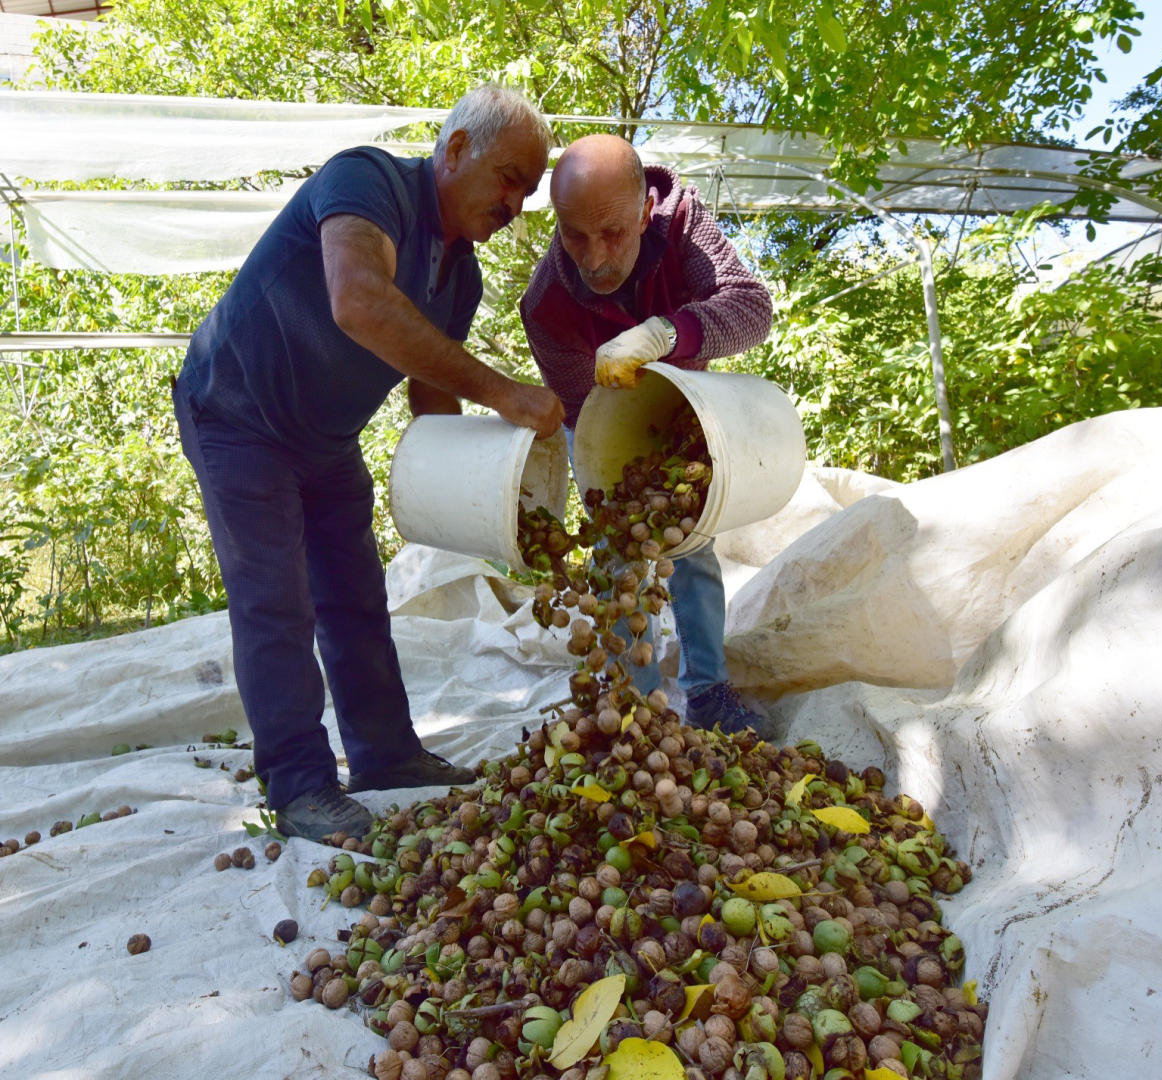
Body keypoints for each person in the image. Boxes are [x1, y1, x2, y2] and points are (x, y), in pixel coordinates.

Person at [174, 85, 563, 841]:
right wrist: (504, 391)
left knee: (355, 595)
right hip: (238, 415)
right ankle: (299, 786)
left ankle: (385, 754)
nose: (516, 204)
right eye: (509, 178)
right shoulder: (368, 181)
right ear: (455, 150)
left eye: (528, 191)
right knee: (276, 600)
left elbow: (432, 405)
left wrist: (495, 495)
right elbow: (358, 299)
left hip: (326, 439)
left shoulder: (460, 280)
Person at [520, 133, 773, 737]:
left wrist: (666, 332)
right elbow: (587, 418)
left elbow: (752, 308)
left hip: (689, 411)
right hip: (611, 427)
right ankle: (630, 701)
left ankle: (708, 689)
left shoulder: (684, 224)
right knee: (618, 555)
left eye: (613, 233)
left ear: (643, 211)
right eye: (576, 235)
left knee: (692, 546)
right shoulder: (547, 305)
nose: (596, 257)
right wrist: (622, 486)